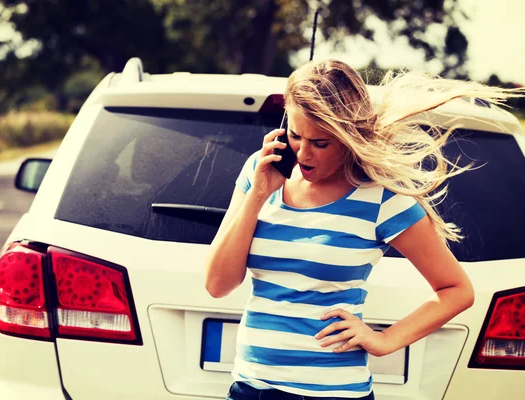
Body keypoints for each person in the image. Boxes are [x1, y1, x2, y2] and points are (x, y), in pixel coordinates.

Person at [204, 59, 521, 400]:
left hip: (333, 394)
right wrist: (259, 195)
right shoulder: (260, 171)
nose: (303, 153)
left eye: (321, 143)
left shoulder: (381, 198)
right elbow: (218, 285)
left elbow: (456, 289)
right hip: (251, 388)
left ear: (348, 137)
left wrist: (385, 340)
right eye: (296, 136)